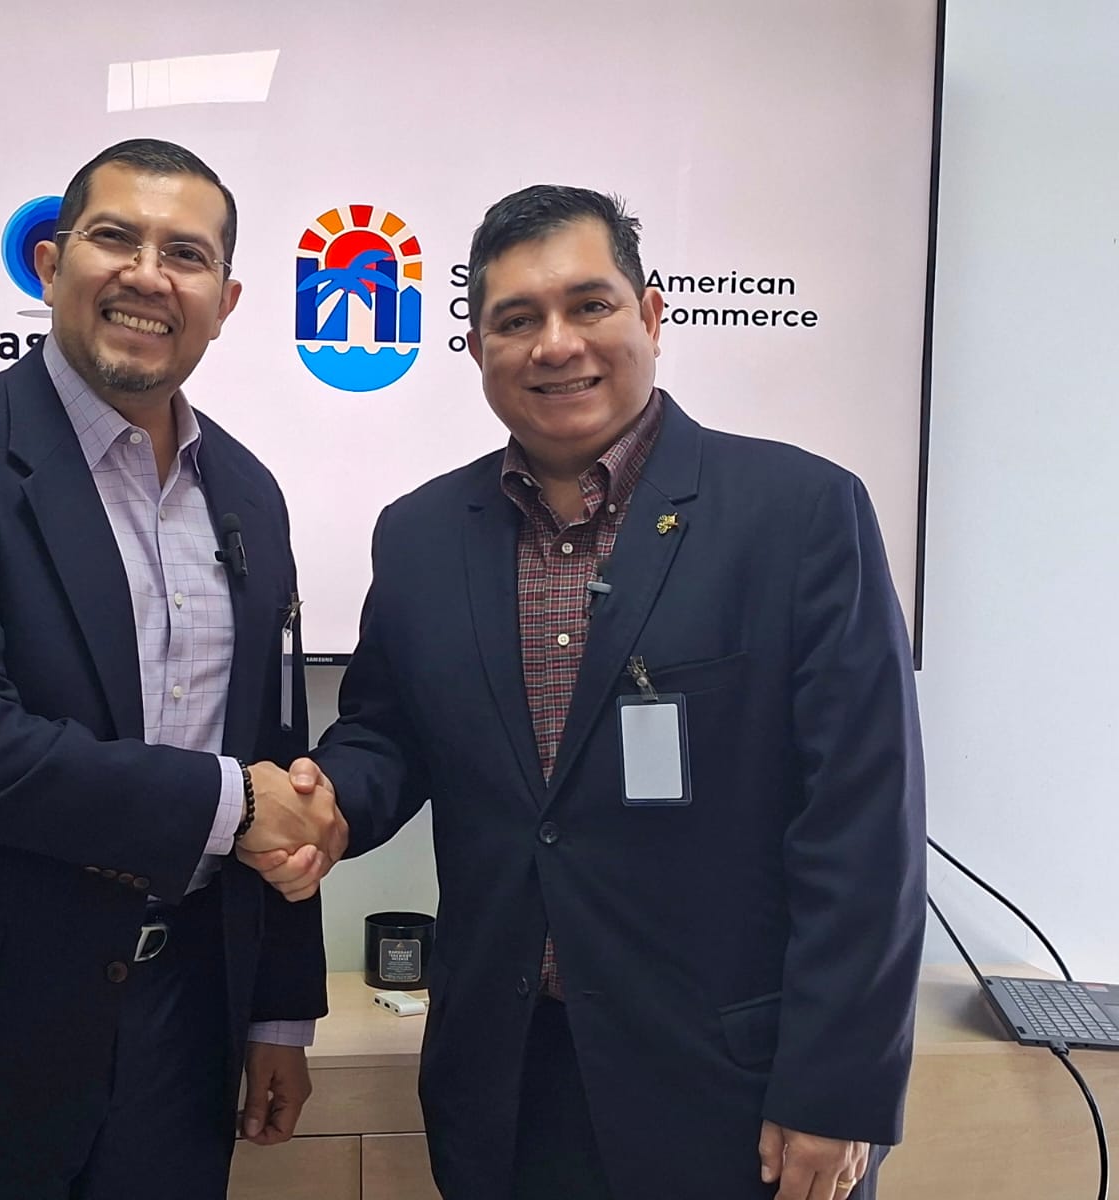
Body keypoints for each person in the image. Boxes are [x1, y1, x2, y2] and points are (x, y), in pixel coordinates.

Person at [245, 185, 926, 1200]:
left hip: (734, 1094)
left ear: (651, 315)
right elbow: (388, 734)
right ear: (475, 347)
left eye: (589, 305)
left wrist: (837, 1089)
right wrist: (325, 804)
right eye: (516, 319)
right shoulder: (421, 534)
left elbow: (862, 826)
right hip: (508, 1084)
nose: (555, 344)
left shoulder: (800, 512)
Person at [0, 138, 345, 1199]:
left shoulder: (250, 492)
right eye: (115, 238)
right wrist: (235, 805)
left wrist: (279, 1014)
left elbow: (275, 754)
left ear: (226, 302)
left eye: (185, 254)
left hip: (184, 1034)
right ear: (50, 264)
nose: (148, 275)